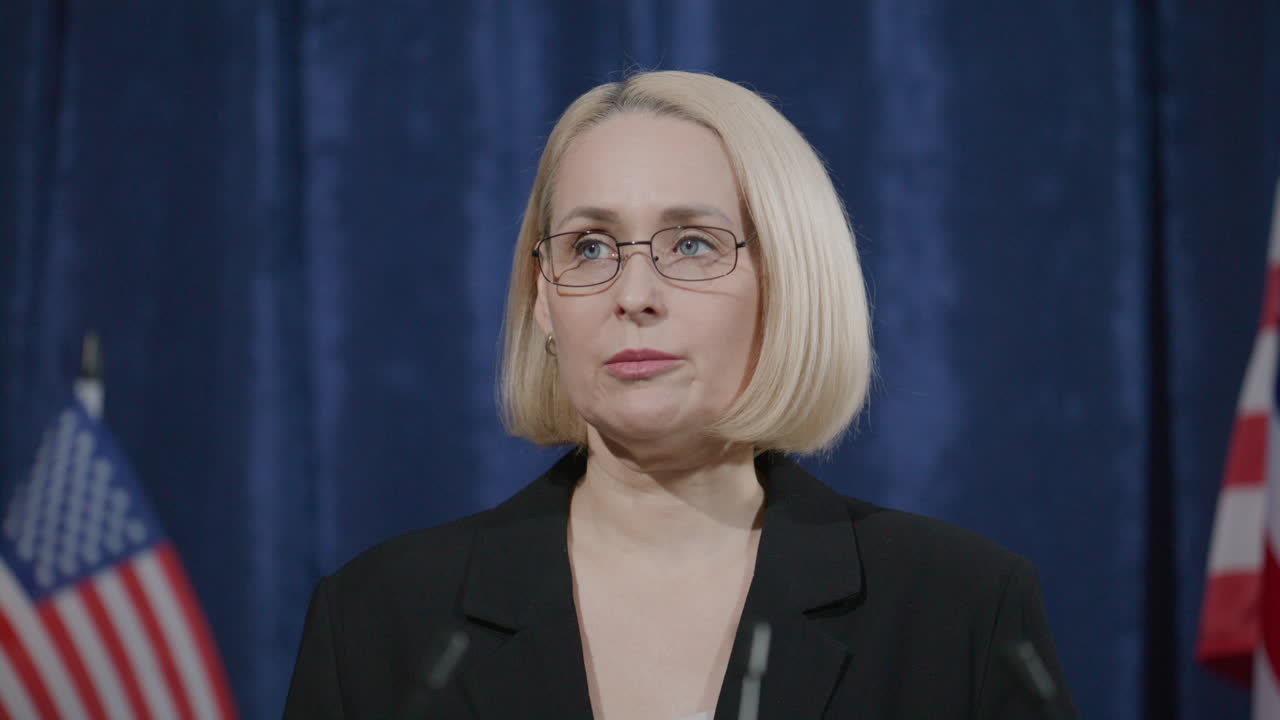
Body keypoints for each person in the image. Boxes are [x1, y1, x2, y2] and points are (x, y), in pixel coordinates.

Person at [283, 70, 1077, 720]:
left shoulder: (960, 610)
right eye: (589, 246)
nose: (633, 293)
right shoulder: (380, 619)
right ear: (543, 301)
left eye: (692, 244)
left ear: (787, 283)